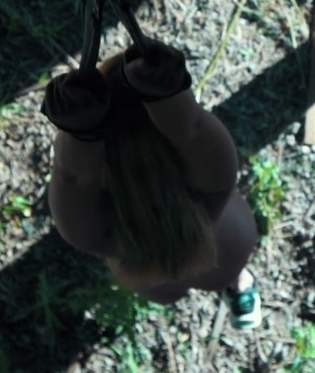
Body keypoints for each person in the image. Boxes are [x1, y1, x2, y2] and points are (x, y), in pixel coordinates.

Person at [42, 38, 261, 329]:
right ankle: (237, 282)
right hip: (226, 242)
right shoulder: (214, 176)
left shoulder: (94, 232)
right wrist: (165, 90)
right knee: (224, 272)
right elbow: (191, 129)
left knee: (167, 292)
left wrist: (81, 131)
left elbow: (75, 178)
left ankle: (215, 282)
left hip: (145, 268)